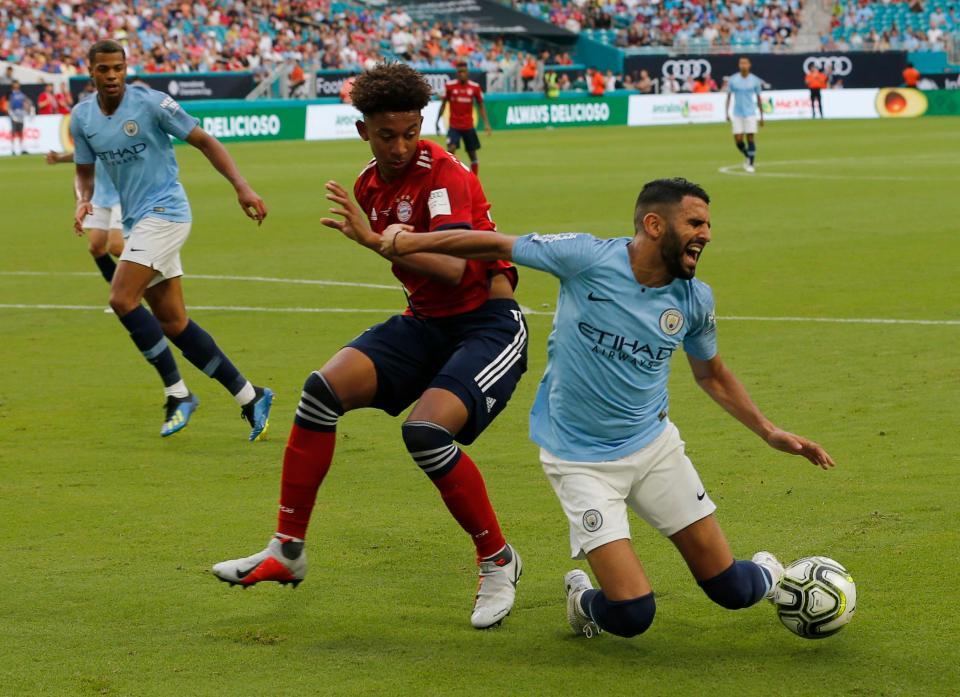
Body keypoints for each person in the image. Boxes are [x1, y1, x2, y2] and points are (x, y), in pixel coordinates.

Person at [371, 177, 836, 640]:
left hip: (654, 451)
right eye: (695, 222)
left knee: (732, 590)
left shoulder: (694, 300)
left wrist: (768, 430)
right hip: (579, 462)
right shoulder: (586, 258)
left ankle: (770, 573)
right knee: (633, 614)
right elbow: (492, 242)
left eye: (709, 225)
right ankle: (582, 602)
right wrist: (405, 241)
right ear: (654, 224)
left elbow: (711, 373)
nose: (706, 234)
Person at [212, 64, 527, 630]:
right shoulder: (367, 184)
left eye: (411, 131)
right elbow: (421, 278)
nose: (402, 145)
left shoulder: (445, 176)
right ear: (364, 131)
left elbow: (455, 269)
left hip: (488, 324)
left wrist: (377, 240)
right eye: (388, 135)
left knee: (426, 433)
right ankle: (287, 550)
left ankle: (499, 560)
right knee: (319, 393)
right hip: (427, 323)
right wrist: (383, 242)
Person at [70, 40, 273, 439]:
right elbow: (83, 169)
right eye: (103, 69)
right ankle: (252, 396)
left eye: (118, 68)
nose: (112, 76)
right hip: (136, 222)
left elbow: (205, 141)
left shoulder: (152, 104)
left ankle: (178, 393)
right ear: (90, 71)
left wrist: (242, 187)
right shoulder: (82, 118)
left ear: (126, 68)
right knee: (174, 322)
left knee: (121, 298)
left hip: (166, 213)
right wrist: (84, 200)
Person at [46, 150, 124, 283]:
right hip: (100, 194)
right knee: (96, 246)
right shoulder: (87, 130)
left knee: (117, 247)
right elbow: (84, 153)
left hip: (125, 193)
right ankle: (123, 296)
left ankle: (159, 279)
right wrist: (60, 157)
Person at [436, 61, 492, 176]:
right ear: (457, 73)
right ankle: (449, 177)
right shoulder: (450, 86)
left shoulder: (475, 87)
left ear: (467, 73)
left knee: (472, 155)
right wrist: (437, 121)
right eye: (459, 72)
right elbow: (443, 104)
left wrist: (486, 124)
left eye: (464, 72)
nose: (462, 74)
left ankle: (474, 179)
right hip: (454, 126)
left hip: (468, 126)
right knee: (450, 151)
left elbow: (481, 105)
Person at [726, 57, 764, 173]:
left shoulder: (755, 80)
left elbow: (758, 98)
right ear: (739, 65)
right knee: (738, 140)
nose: (743, 65)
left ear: (749, 65)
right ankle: (747, 155)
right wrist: (726, 112)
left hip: (750, 113)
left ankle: (751, 164)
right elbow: (728, 96)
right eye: (741, 63)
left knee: (750, 138)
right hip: (737, 113)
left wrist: (762, 116)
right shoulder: (733, 80)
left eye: (745, 63)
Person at [7, 81, 33, 155]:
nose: (17, 87)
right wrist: (11, 114)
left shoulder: (21, 94)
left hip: (21, 116)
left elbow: (26, 102)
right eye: (15, 85)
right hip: (14, 116)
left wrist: (27, 110)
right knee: (14, 132)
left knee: (21, 132)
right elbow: (8, 105)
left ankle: (22, 148)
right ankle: (13, 149)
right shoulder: (11, 94)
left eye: (18, 85)